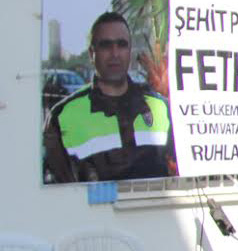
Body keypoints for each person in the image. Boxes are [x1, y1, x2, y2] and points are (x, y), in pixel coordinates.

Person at [43, 12, 177, 183]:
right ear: (92, 53)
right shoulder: (62, 116)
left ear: (129, 51)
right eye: (106, 45)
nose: (115, 53)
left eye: (121, 45)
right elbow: (55, 191)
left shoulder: (162, 109)